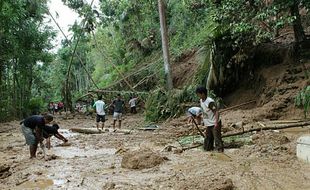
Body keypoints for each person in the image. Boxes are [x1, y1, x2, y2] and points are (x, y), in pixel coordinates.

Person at [196, 86, 223, 152]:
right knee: (207, 141)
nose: (197, 95)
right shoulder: (201, 101)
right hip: (208, 124)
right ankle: (209, 150)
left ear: (202, 94)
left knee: (217, 140)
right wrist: (203, 120)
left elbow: (216, 112)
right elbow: (204, 111)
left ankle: (220, 152)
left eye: (198, 94)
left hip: (214, 123)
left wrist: (216, 123)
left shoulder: (210, 102)